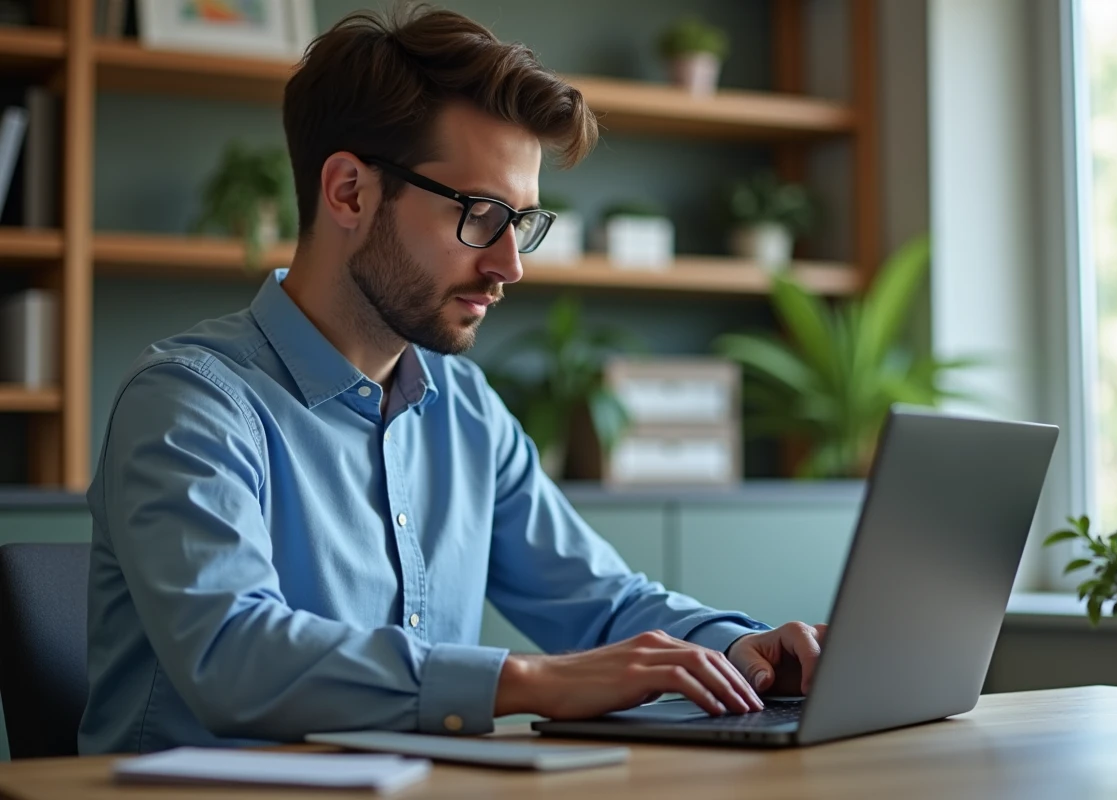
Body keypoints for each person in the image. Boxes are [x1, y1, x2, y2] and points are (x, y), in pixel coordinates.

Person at [78, 4, 827, 756]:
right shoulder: (189, 403)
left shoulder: (465, 409)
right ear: (348, 192)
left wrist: (742, 647)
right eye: (480, 213)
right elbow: (234, 656)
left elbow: (599, 600)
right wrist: (534, 681)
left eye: (523, 223)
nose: (510, 265)